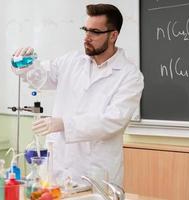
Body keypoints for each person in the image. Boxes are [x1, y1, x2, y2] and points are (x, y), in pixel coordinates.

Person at [12, 4, 144, 186]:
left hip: (95, 174)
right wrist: (25, 65)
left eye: (95, 32)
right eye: (85, 30)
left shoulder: (129, 75)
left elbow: (112, 121)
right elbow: (40, 77)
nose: (87, 38)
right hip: (58, 169)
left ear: (113, 35)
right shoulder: (71, 61)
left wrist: (64, 124)